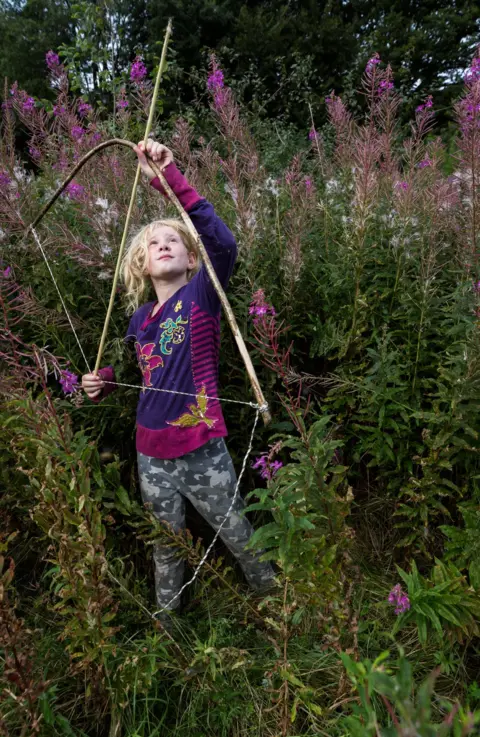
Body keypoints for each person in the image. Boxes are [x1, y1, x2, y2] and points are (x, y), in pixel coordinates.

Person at [82, 140, 275, 620]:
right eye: (153, 243)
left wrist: (168, 179)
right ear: (142, 265)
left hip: (200, 446)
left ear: (191, 259)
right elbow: (135, 373)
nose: (163, 244)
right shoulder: (141, 319)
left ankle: (281, 611)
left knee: (238, 534)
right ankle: (166, 629)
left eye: (173, 241)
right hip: (150, 452)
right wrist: (102, 381)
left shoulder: (202, 295)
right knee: (165, 547)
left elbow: (224, 244)